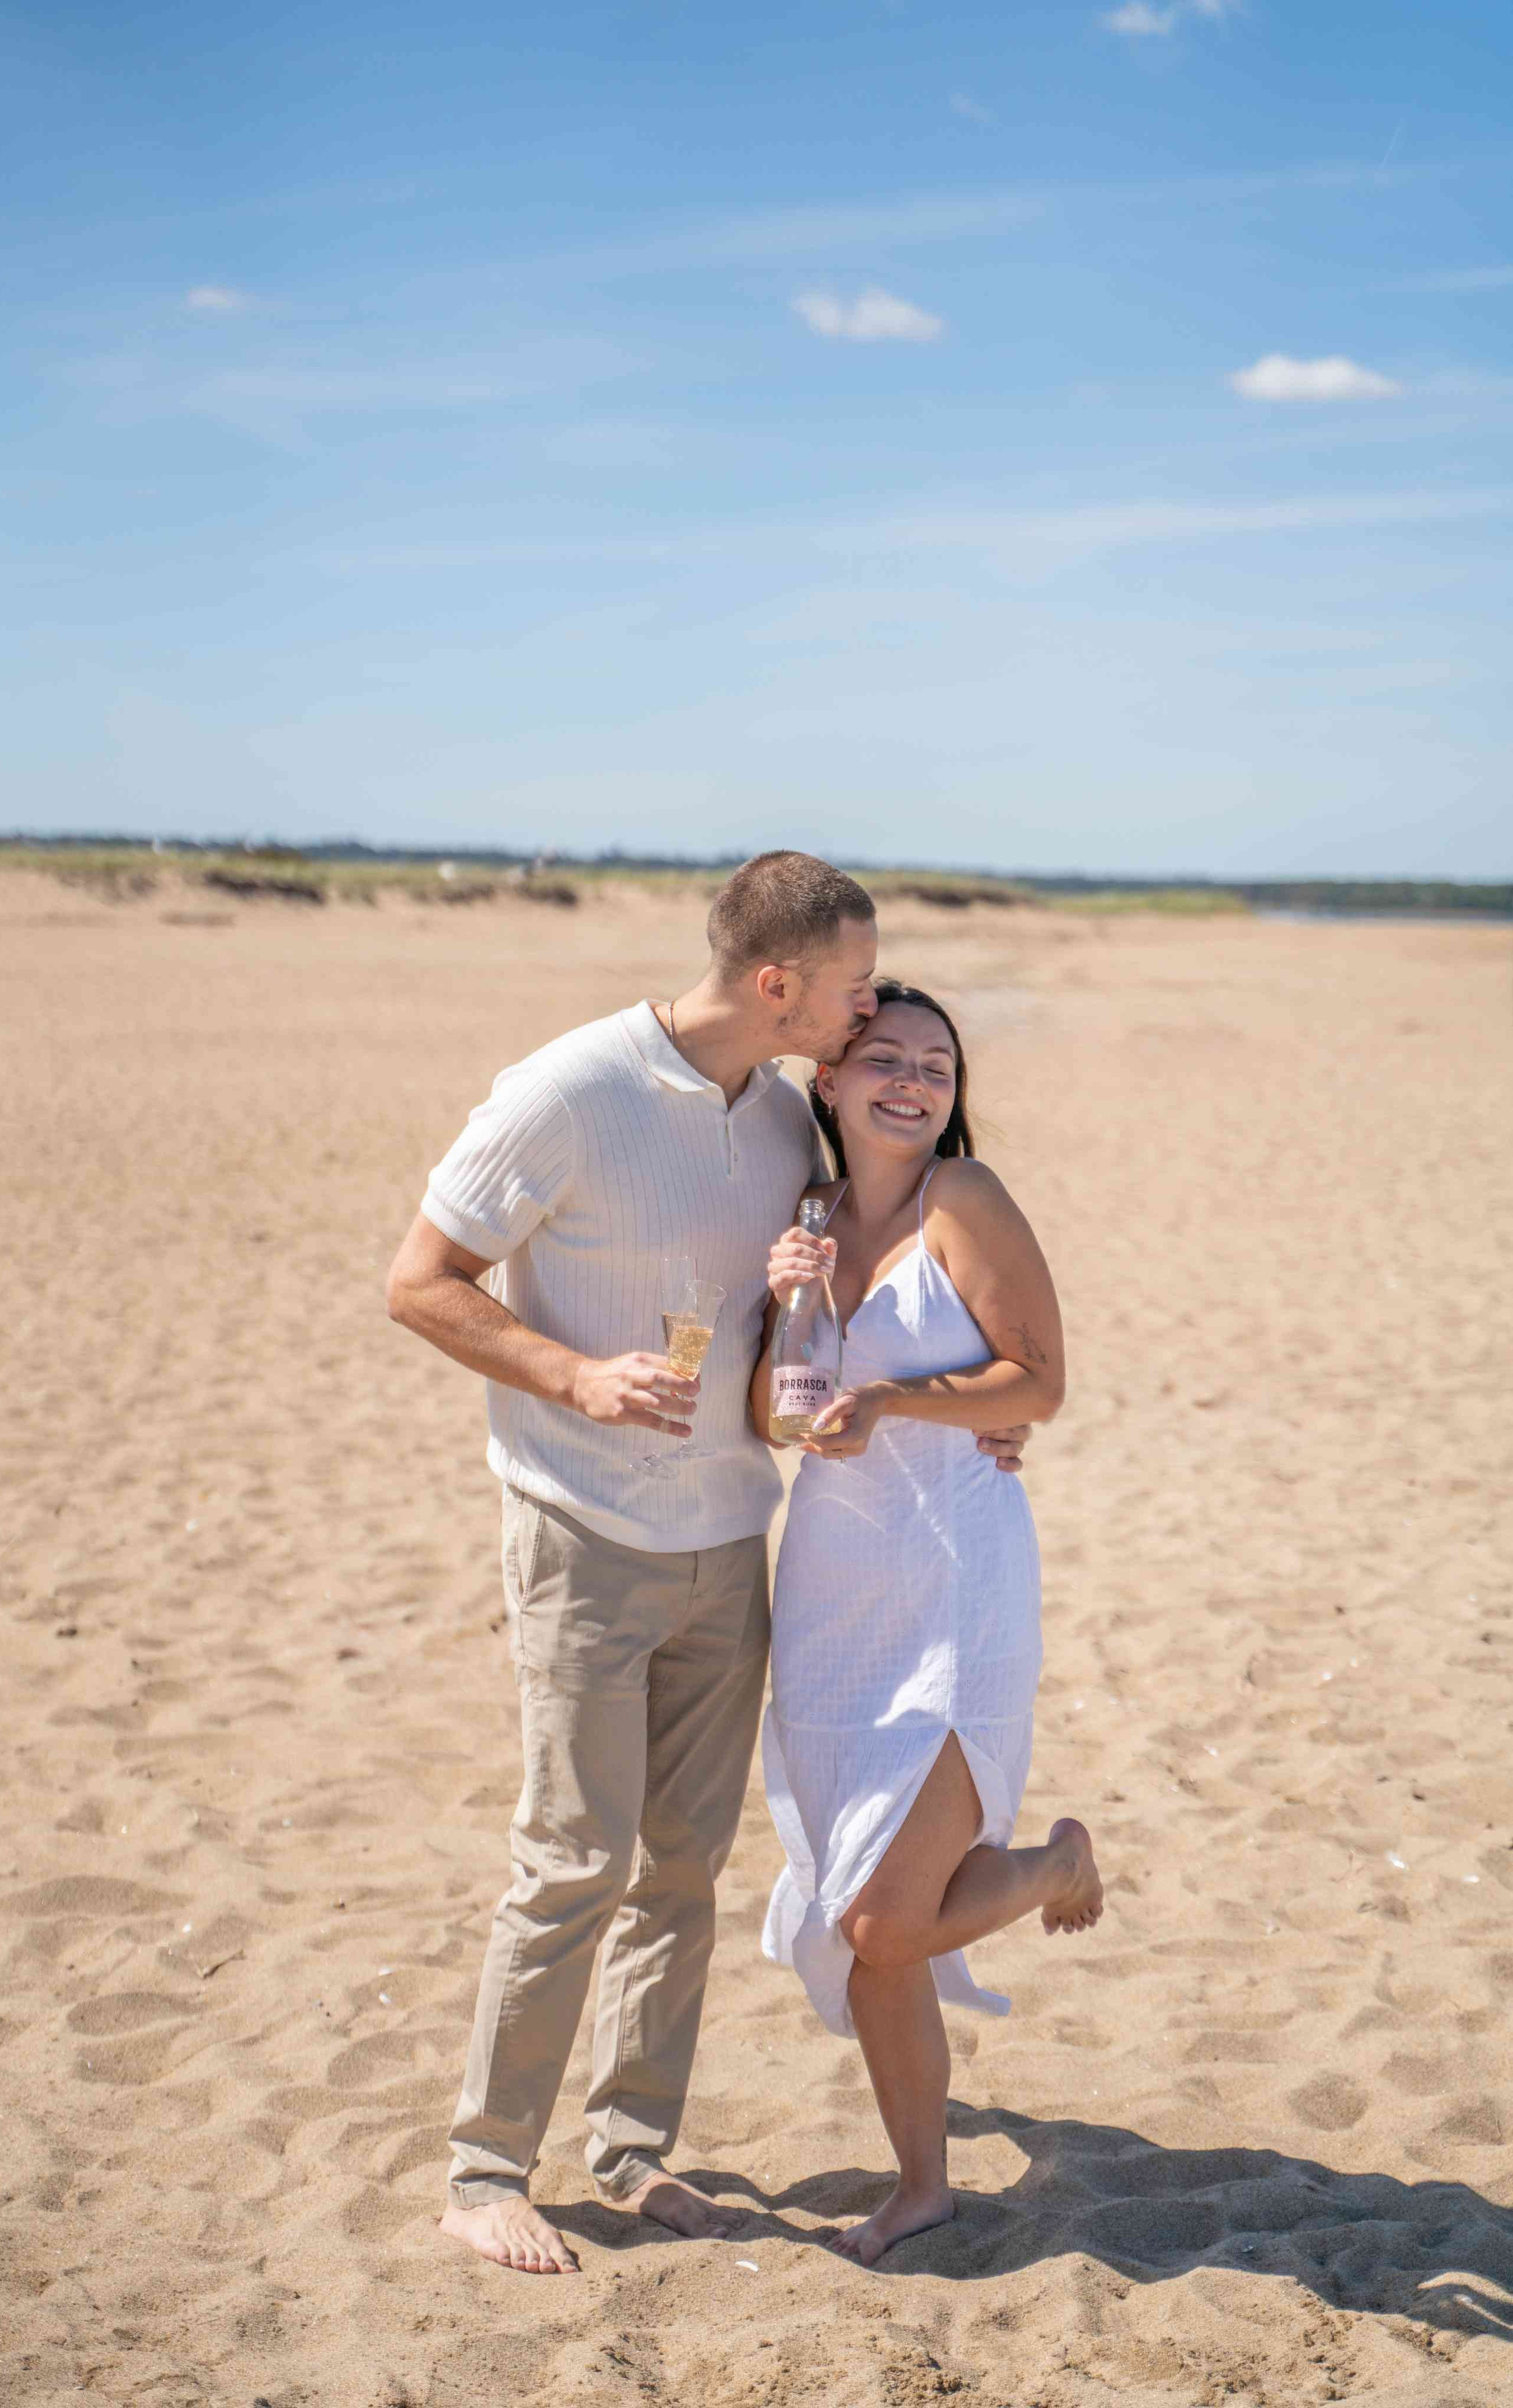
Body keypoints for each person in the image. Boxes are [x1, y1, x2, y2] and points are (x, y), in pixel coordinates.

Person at [386, 859, 1034, 2277]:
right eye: (853, 985)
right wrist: (572, 1373)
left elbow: (849, 1313)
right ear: (778, 983)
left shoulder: (788, 1119)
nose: (867, 1008)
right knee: (573, 1857)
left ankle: (630, 2149)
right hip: (581, 1533)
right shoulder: (568, 1090)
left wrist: (970, 1414)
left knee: (682, 1867)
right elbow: (418, 1281)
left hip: (735, 1545)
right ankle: (485, 2170)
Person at [751, 978, 1103, 2268]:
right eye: (884, 1057)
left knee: (883, 1923)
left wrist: (900, 1401)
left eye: (936, 1064)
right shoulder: (806, 1215)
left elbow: (1039, 1381)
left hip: (957, 1578)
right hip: (833, 1590)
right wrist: (786, 1299)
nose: (911, 1080)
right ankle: (922, 2187)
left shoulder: (964, 1196)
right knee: (866, 1925)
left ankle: (1051, 1866)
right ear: (830, 1081)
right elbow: (775, 1416)